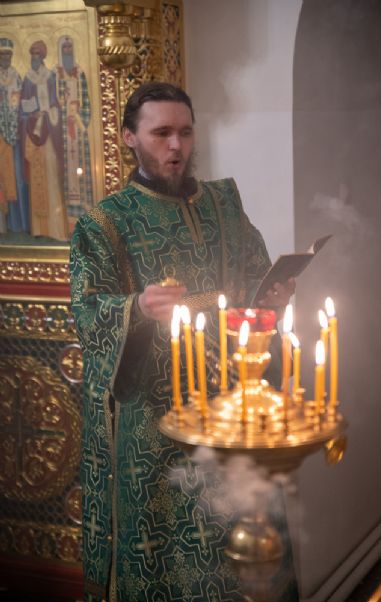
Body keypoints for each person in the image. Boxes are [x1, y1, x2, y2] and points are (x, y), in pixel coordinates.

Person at [70, 82, 297, 602]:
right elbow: (87, 312)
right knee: (170, 567)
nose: (176, 146)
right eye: (162, 133)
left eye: (186, 132)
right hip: (154, 429)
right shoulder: (104, 224)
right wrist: (136, 308)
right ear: (130, 137)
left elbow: (255, 280)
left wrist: (275, 296)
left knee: (246, 550)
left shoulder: (223, 205)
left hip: (232, 410)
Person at [20, 40, 68, 240]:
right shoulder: (27, 79)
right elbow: (23, 107)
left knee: (51, 174)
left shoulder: (50, 76)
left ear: (42, 57)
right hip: (34, 131)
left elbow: (56, 103)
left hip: (48, 130)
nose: (34, 58)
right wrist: (31, 115)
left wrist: (48, 114)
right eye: (32, 54)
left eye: (37, 54)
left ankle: (55, 229)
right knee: (36, 176)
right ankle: (39, 229)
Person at [55, 35, 93, 228]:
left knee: (80, 165)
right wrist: (61, 113)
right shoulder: (56, 74)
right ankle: (66, 213)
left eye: (70, 47)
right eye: (65, 48)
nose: (68, 51)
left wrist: (80, 120)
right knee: (65, 167)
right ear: (60, 51)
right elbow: (53, 101)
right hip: (62, 129)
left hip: (77, 128)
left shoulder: (80, 73)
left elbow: (86, 101)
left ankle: (83, 210)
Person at [0, 38, 29, 233]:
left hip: (14, 134)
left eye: (8, 54)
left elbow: (21, 104)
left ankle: (18, 224)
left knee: (17, 178)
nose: (5, 57)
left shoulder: (16, 76)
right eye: (2, 54)